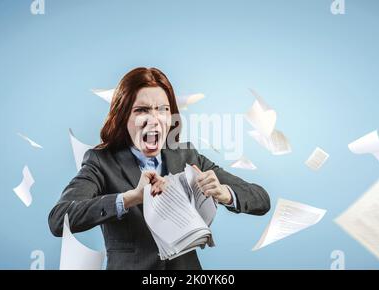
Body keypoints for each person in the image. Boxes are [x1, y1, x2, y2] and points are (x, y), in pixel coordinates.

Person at [48, 67, 271, 270]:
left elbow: (261, 200)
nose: (154, 119)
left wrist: (225, 193)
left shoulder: (187, 155)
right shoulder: (101, 162)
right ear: (123, 116)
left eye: (163, 109)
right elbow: (59, 220)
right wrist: (130, 198)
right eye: (142, 110)